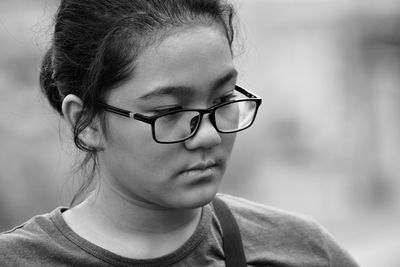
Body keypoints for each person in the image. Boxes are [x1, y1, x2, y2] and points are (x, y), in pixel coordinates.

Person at [0, 0, 360, 266]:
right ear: (86, 121)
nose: (208, 136)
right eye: (170, 111)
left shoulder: (302, 249)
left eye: (222, 98)